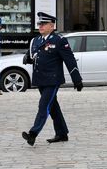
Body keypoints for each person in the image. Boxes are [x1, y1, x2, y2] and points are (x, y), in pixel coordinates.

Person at [22, 12, 83, 146]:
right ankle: (62, 134)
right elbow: (34, 57)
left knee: (43, 105)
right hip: (40, 80)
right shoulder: (35, 40)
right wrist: (27, 59)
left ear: (52, 26)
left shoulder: (59, 40)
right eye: (39, 24)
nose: (40, 26)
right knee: (53, 107)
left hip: (52, 80)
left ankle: (33, 134)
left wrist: (76, 79)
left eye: (43, 24)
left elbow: (69, 60)